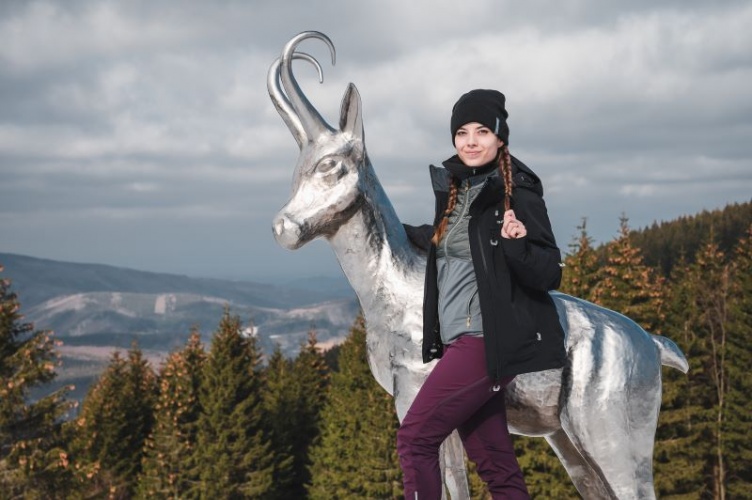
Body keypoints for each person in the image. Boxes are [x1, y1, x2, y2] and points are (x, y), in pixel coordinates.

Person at [398, 89, 567, 499]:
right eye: (461, 132)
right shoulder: (458, 189)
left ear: (499, 137)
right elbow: (447, 242)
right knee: (496, 466)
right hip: (462, 339)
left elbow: (549, 270)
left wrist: (517, 245)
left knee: (415, 439)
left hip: (484, 340)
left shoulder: (517, 192)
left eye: (481, 131)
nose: (470, 141)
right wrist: (391, 228)